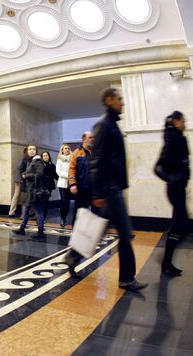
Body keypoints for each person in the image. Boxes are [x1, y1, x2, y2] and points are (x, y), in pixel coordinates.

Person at [68, 87, 147, 292]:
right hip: (109, 189)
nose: (123, 103)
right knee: (125, 233)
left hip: (113, 188)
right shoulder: (104, 125)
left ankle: (73, 256)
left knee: (98, 228)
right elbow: (97, 161)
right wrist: (98, 194)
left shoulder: (111, 125)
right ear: (109, 100)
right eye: (119, 99)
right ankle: (127, 279)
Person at [155, 111, 190, 276]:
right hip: (175, 189)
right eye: (183, 121)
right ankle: (166, 261)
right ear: (176, 122)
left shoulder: (178, 138)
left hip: (179, 189)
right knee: (181, 225)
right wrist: (174, 178)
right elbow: (158, 167)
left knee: (180, 225)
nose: (185, 124)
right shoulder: (172, 139)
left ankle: (166, 262)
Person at [12, 145, 47, 238]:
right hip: (30, 190)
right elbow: (30, 172)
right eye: (30, 149)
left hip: (35, 190)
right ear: (27, 151)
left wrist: (27, 176)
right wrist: (25, 174)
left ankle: (40, 232)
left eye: (34, 149)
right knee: (26, 210)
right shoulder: (31, 161)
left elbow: (39, 174)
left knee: (38, 210)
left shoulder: (38, 161)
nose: (32, 151)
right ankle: (22, 229)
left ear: (36, 151)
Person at [68, 131, 95, 224]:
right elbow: (71, 170)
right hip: (81, 188)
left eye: (93, 137)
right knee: (79, 213)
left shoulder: (95, 152)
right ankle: (76, 232)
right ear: (83, 139)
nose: (92, 139)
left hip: (94, 189)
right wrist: (72, 184)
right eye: (90, 137)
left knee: (97, 213)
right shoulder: (76, 153)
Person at [56, 144, 72, 227]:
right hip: (62, 183)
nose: (67, 149)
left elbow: (73, 169)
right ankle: (62, 218)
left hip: (70, 183)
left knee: (68, 202)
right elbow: (58, 172)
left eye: (68, 148)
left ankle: (65, 218)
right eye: (65, 148)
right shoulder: (60, 159)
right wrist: (68, 175)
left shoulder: (72, 159)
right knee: (63, 200)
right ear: (62, 150)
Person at [9, 148, 28, 218]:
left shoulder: (24, 159)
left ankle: (11, 212)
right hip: (20, 180)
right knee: (17, 195)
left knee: (17, 195)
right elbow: (20, 169)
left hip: (19, 179)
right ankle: (12, 212)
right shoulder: (24, 159)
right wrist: (21, 179)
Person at [40, 151, 57, 220]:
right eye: (44, 156)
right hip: (41, 186)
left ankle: (43, 218)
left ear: (49, 156)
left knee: (45, 202)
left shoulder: (52, 165)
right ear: (42, 157)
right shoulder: (40, 165)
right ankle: (39, 217)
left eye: (46, 155)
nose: (45, 157)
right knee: (41, 202)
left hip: (49, 186)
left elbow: (55, 175)